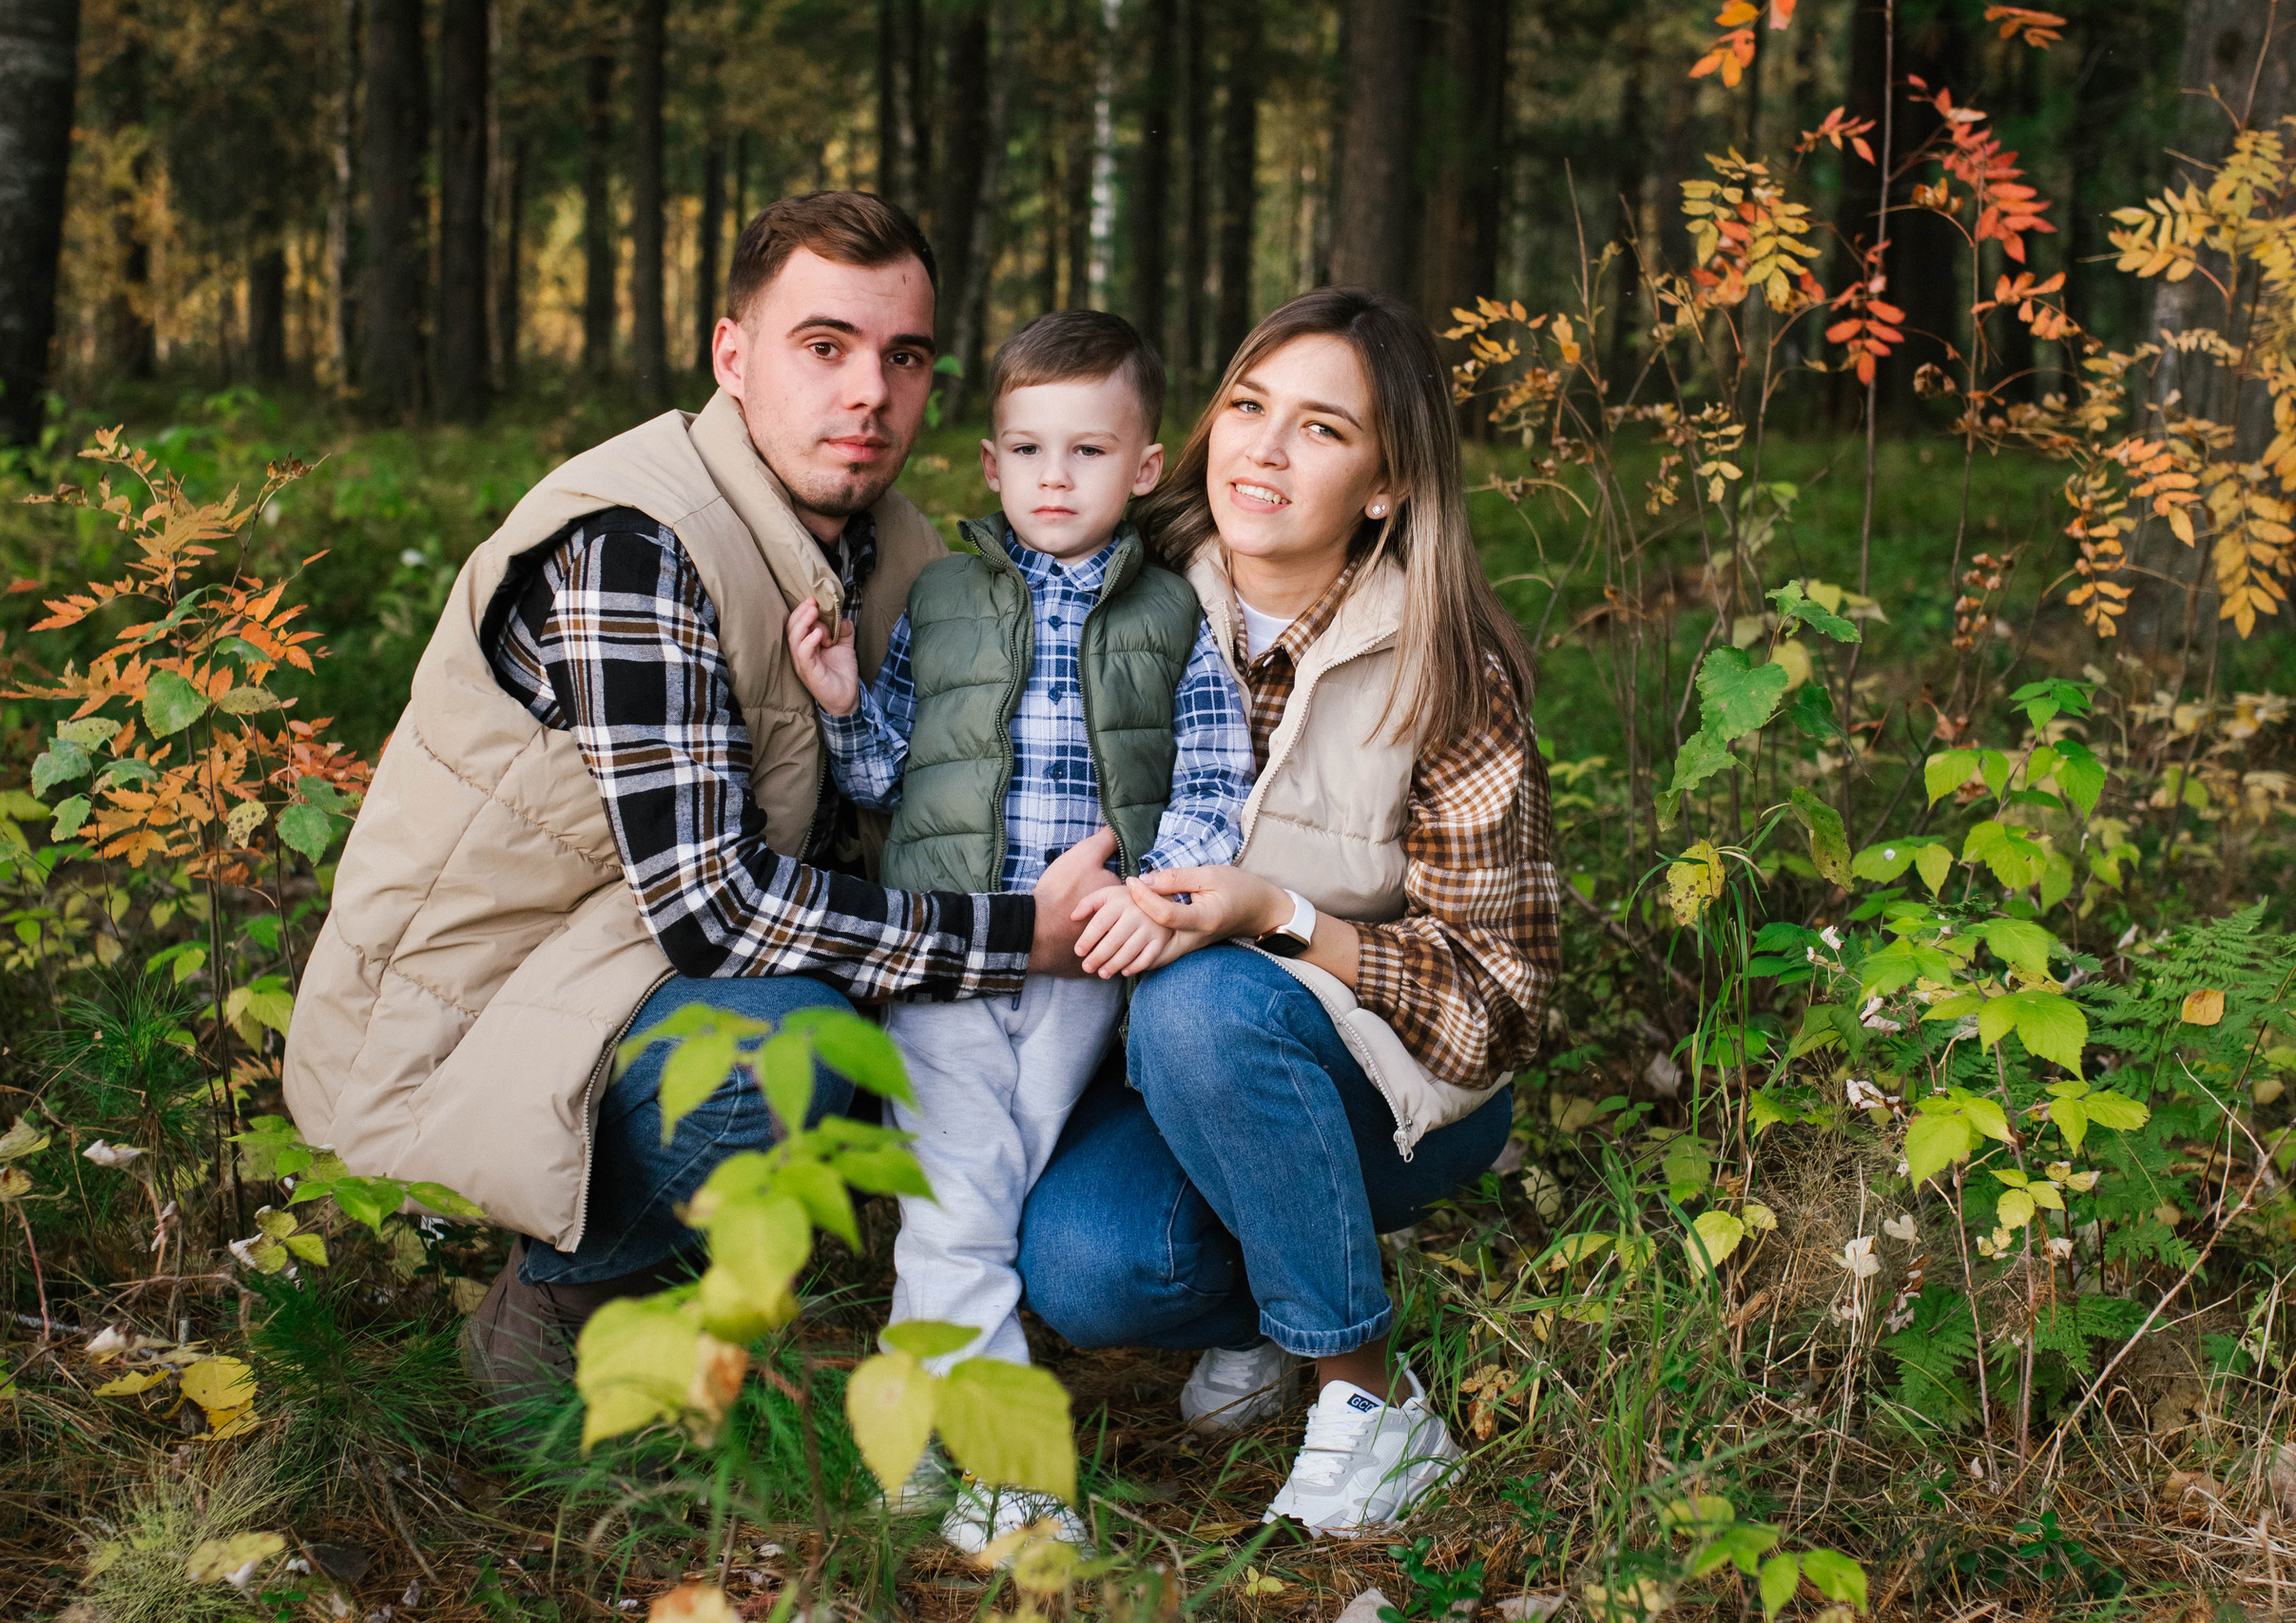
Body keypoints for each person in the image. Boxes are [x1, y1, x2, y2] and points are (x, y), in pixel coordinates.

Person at [280, 193, 1125, 1407]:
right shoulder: (636, 543)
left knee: (881, 1003)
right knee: (776, 1048)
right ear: (732, 357)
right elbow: (717, 917)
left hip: (621, 975)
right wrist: (1018, 938)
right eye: (823, 347)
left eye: (904, 357)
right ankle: (547, 1319)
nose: (869, 394)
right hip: (470, 1026)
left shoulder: (902, 550)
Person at [1019, 287, 1562, 1536]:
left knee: (1208, 1000)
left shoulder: (1441, 667)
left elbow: (1505, 1000)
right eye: (1248, 407)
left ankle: (1367, 1396)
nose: (1261, 450)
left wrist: (1279, 913)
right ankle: (1276, 1291)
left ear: (1384, 483)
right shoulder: (1108, 596)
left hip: (1388, 1077)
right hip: (1145, 1065)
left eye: (1321, 429)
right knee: (1092, 1266)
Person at [785, 311, 1253, 1551]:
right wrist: (841, 703)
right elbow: (889, 772)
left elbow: (1215, 772)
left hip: (1086, 969)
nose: (1058, 476)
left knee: (981, 1201)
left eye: (1089, 451)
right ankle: (1010, 1481)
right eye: (1030, 449)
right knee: (962, 1209)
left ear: (1146, 464)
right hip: (946, 957)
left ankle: (908, 1413)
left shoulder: (1171, 615)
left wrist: (1157, 892)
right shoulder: (940, 598)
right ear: (989, 464)